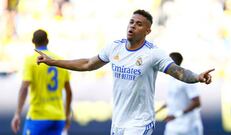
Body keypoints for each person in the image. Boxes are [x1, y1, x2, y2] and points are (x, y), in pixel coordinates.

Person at [35, 9, 214, 135]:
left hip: (140, 122)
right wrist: (53, 62)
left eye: (139, 24)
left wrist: (197, 77)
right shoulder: (115, 47)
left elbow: (178, 71)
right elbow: (88, 64)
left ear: (147, 30)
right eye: (131, 22)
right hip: (119, 121)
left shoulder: (153, 54)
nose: (132, 26)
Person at [11, 29, 72, 135]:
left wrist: (17, 114)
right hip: (58, 117)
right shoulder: (60, 60)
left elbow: (24, 88)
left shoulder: (30, 60)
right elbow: (69, 92)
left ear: (33, 41)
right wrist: (67, 115)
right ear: (47, 41)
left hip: (38, 116)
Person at [156, 52, 203, 135]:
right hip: (172, 126)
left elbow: (197, 102)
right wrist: (156, 111)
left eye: (168, 61)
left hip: (189, 126)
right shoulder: (170, 80)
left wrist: (177, 115)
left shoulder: (186, 80)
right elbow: (172, 100)